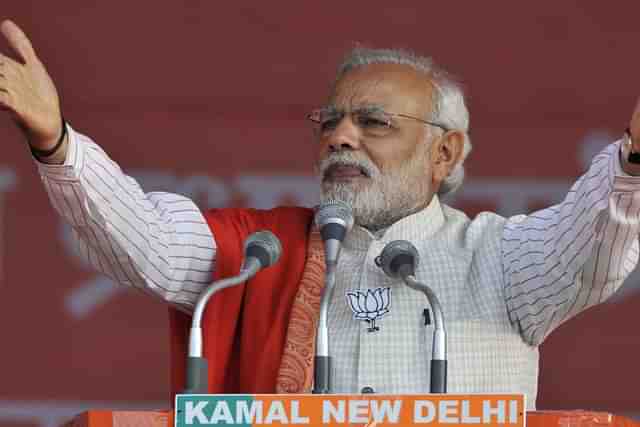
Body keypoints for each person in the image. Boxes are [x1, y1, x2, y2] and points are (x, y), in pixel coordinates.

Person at [1, 19, 639, 409]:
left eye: (373, 123)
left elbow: (589, 247)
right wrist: (56, 140)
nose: (341, 136)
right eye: (330, 121)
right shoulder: (261, 255)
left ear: (443, 152)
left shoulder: (499, 259)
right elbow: (144, 241)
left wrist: (634, 164)